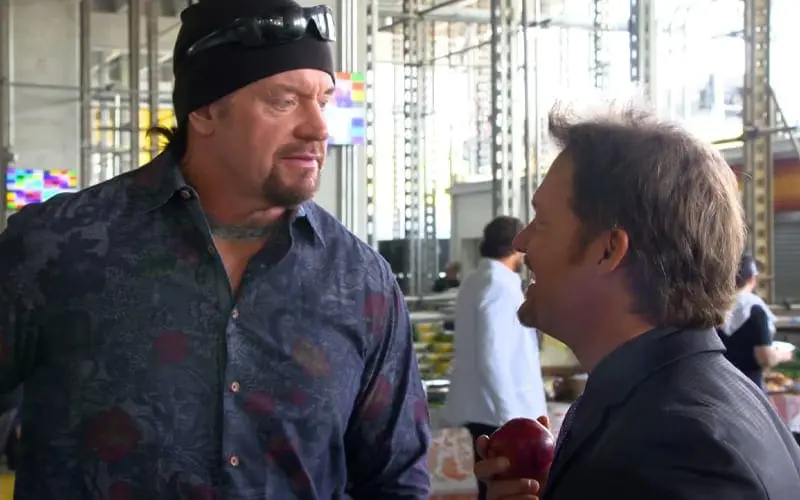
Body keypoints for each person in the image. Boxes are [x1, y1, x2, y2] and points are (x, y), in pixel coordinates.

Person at [0, 1, 430, 498]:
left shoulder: (359, 281)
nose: (318, 128)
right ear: (204, 110)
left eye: (323, 100)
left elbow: (395, 480)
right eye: (284, 101)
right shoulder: (59, 248)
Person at [474, 105, 800, 500]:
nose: (521, 242)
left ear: (609, 250)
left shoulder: (675, 450)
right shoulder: (678, 407)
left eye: (541, 222)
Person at [444, 216, 547, 500]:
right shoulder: (497, 287)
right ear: (515, 248)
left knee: (493, 489)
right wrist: (511, 417)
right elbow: (492, 358)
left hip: (484, 409)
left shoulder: (476, 281)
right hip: (498, 414)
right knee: (509, 491)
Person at [718, 254, 794, 389]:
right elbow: (765, 358)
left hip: (720, 385)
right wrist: (783, 355)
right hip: (749, 388)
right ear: (753, 279)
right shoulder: (755, 309)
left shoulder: (714, 306)